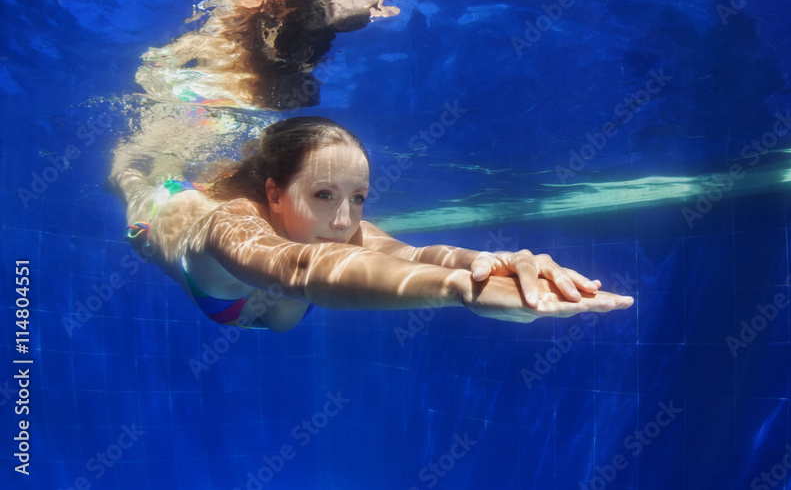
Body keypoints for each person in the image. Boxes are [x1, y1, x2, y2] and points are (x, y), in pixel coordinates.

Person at [109, 116, 633, 331]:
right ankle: (131, 165)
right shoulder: (231, 224)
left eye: (357, 198)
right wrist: (456, 290)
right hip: (165, 220)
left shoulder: (339, 229)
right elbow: (299, 267)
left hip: (257, 305)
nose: (343, 220)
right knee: (135, 184)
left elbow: (410, 256)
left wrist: (488, 267)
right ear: (273, 190)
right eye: (321, 194)